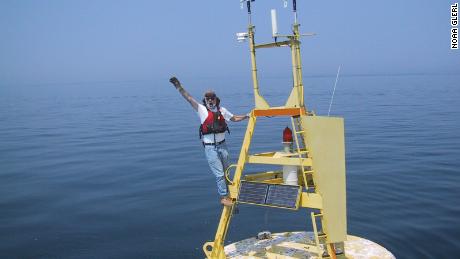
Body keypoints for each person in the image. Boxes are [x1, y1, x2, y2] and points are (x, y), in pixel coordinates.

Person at [169, 76, 249, 206]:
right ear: (205, 100)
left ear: (216, 99)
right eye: (208, 98)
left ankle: (232, 193)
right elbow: (188, 98)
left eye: (212, 98)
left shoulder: (222, 110)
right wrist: (178, 86)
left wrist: (246, 116)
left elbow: (234, 118)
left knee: (228, 171)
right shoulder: (201, 110)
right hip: (210, 148)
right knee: (219, 174)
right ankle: (223, 197)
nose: (210, 100)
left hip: (223, 146)